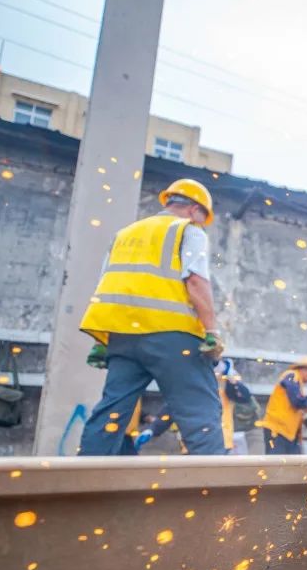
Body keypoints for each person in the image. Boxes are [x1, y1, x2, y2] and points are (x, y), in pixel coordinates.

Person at [78, 179, 225, 455]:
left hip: (123, 338)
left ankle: (80, 484)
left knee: (111, 414)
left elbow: (107, 285)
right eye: (203, 219)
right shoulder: (187, 231)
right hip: (172, 335)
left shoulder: (124, 234)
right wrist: (212, 331)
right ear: (194, 209)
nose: (202, 225)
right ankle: (214, 490)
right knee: (200, 414)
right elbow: (195, 282)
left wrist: (103, 340)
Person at [135, 359, 249, 453]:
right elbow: (173, 407)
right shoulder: (188, 382)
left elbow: (244, 397)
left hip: (220, 441)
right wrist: (152, 429)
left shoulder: (224, 381)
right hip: (192, 442)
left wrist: (230, 376)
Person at [260, 360, 307, 454]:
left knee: (291, 464)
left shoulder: (298, 383)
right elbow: (296, 400)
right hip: (278, 429)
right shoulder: (292, 375)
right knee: (277, 464)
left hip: (287, 432)